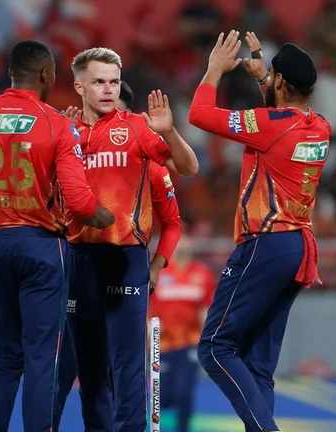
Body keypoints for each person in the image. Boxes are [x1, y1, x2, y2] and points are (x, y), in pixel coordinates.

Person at [0, 39, 115, 432]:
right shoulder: (56, 123)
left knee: (4, 356)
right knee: (42, 357)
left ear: (11, 74)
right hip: (42, 248)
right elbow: (82, 204)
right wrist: (107, 217)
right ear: (47, 75)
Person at [187, 31, 331, 432]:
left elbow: (199, 114)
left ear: (282, 82)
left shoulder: (269, 125)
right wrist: (264, 80)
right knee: (259, 366)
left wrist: (214, 70)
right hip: (298, 249)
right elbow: (282, 117)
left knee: (214, 347)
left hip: (264, 244)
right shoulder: (320, 127)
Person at [65, 47, 197, 432]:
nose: (108, 90)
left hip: (126, 260)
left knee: (127, 365)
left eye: (113, 82)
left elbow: (189, 167)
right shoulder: (65, 132)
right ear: (79, 87)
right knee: (90, 370)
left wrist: (169, 130)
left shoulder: (137, 127)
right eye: (99, 82)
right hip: (79, 259)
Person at [148, 233, 217, 432]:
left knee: (185, 392)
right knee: (163, 396)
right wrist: (148, 333)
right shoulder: (159, 273)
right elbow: (148, 307)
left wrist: (208, 338)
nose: (183, 246)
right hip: (162, 343)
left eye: (186, 242)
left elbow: (207, 308)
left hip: (190, 342)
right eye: (179, 243)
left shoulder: (203, 275)